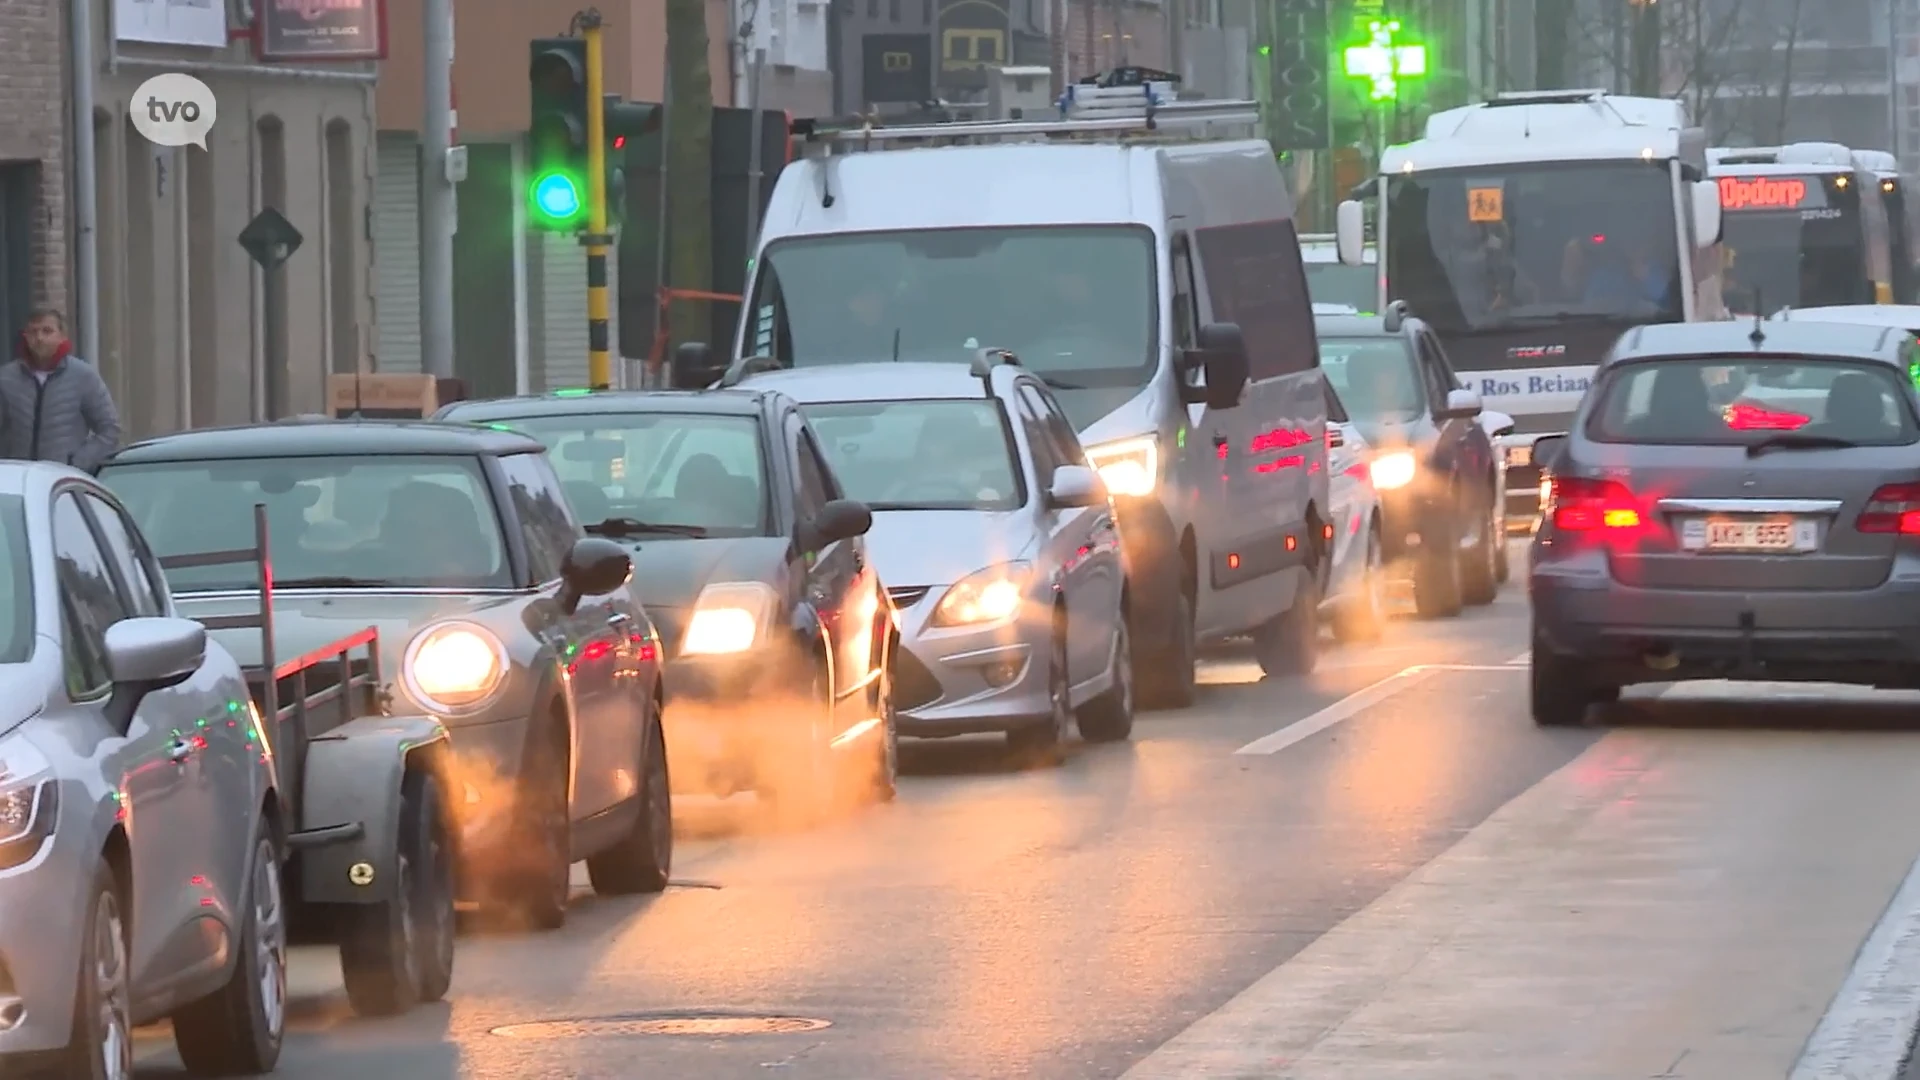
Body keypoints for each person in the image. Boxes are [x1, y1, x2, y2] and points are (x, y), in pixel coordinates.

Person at [1, 309, 121, 472]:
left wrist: (77, 463)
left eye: (47, 331)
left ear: (62, 336)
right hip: (18, 480)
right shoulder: (7, 378)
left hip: (62, 482)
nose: (40, 338)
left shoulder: (83, 376)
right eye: (33, 332)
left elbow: (109, 429)